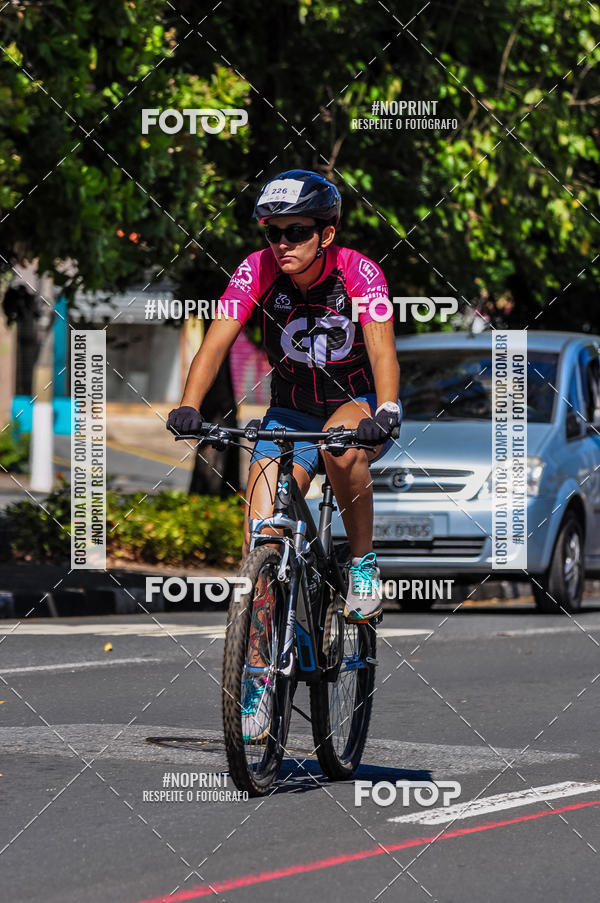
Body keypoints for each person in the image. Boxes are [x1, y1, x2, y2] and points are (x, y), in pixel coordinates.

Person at [167, 170, 401, 736]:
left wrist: (387, 410)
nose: (282, 244)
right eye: (273, 232)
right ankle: (258, 685)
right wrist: (189, 406)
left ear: (327, 233)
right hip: (290, 411)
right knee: (261, 533)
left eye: (296, 231)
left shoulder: (358, 271)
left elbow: (382, 348)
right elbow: (217, 338)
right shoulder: (257, 269)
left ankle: (363, 565)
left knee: (345, 452)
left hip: (355, 403)